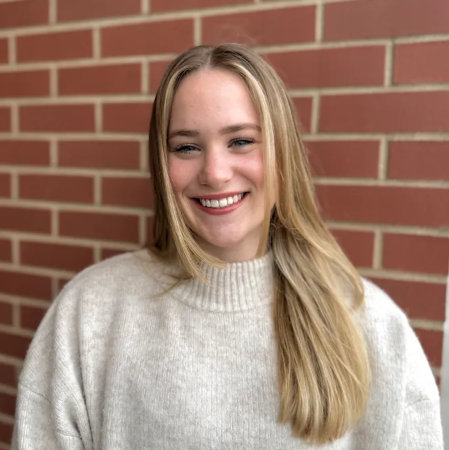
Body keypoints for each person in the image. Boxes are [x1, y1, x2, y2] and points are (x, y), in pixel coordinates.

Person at [12, 44, 442, 450]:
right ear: (162, 165)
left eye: (241, 141)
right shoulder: (89, 314)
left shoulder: (372, 325)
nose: (215, 173)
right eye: (186, 147)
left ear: (283, 154)